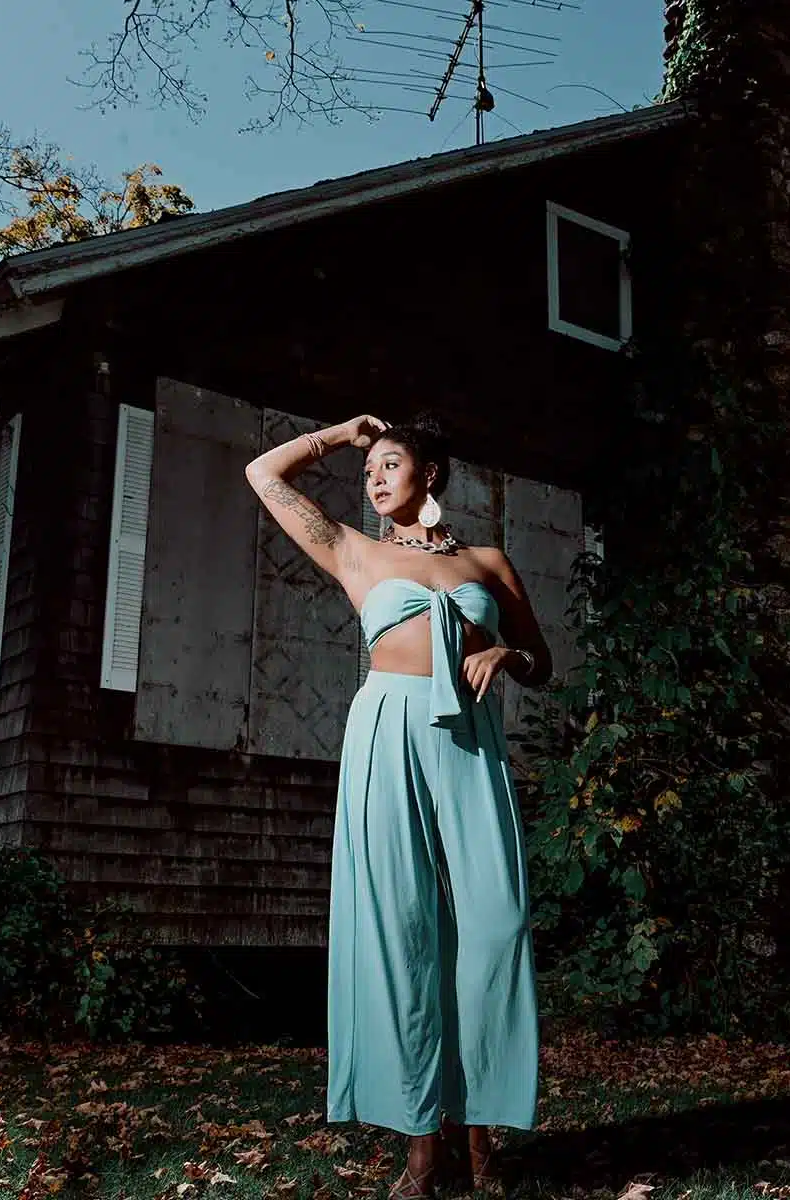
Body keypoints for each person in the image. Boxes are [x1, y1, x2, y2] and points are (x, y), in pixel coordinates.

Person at [244, 412, 550, 1199]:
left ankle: (479, 1128)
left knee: (496, 924)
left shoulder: (486, 562)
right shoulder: (355, 550)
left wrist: (505, 652)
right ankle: (422, 1145)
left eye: (388, 463)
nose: (374, 477)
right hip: (387, 731)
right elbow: (262, 475)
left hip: (471, 738)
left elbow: (541, 663)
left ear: (430, 473)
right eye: (369, 468)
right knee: (403, 929)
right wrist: (339, 435)